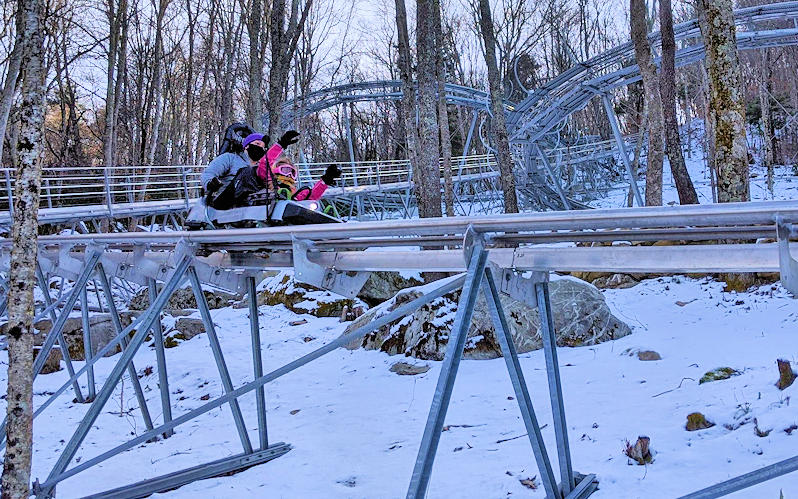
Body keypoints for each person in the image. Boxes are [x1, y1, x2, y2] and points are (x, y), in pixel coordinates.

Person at [255, 130, 342, 201]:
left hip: (292, 210)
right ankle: (281, 196)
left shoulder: (294, 191)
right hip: (271, 205)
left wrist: (326, 180)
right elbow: (264, 164)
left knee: (307, 192)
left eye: (292, 172)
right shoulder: (269, 180)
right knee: (282, 192)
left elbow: (311, 196)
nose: (289, 174)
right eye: (285, 170)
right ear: (276, 170)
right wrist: (280, 145)